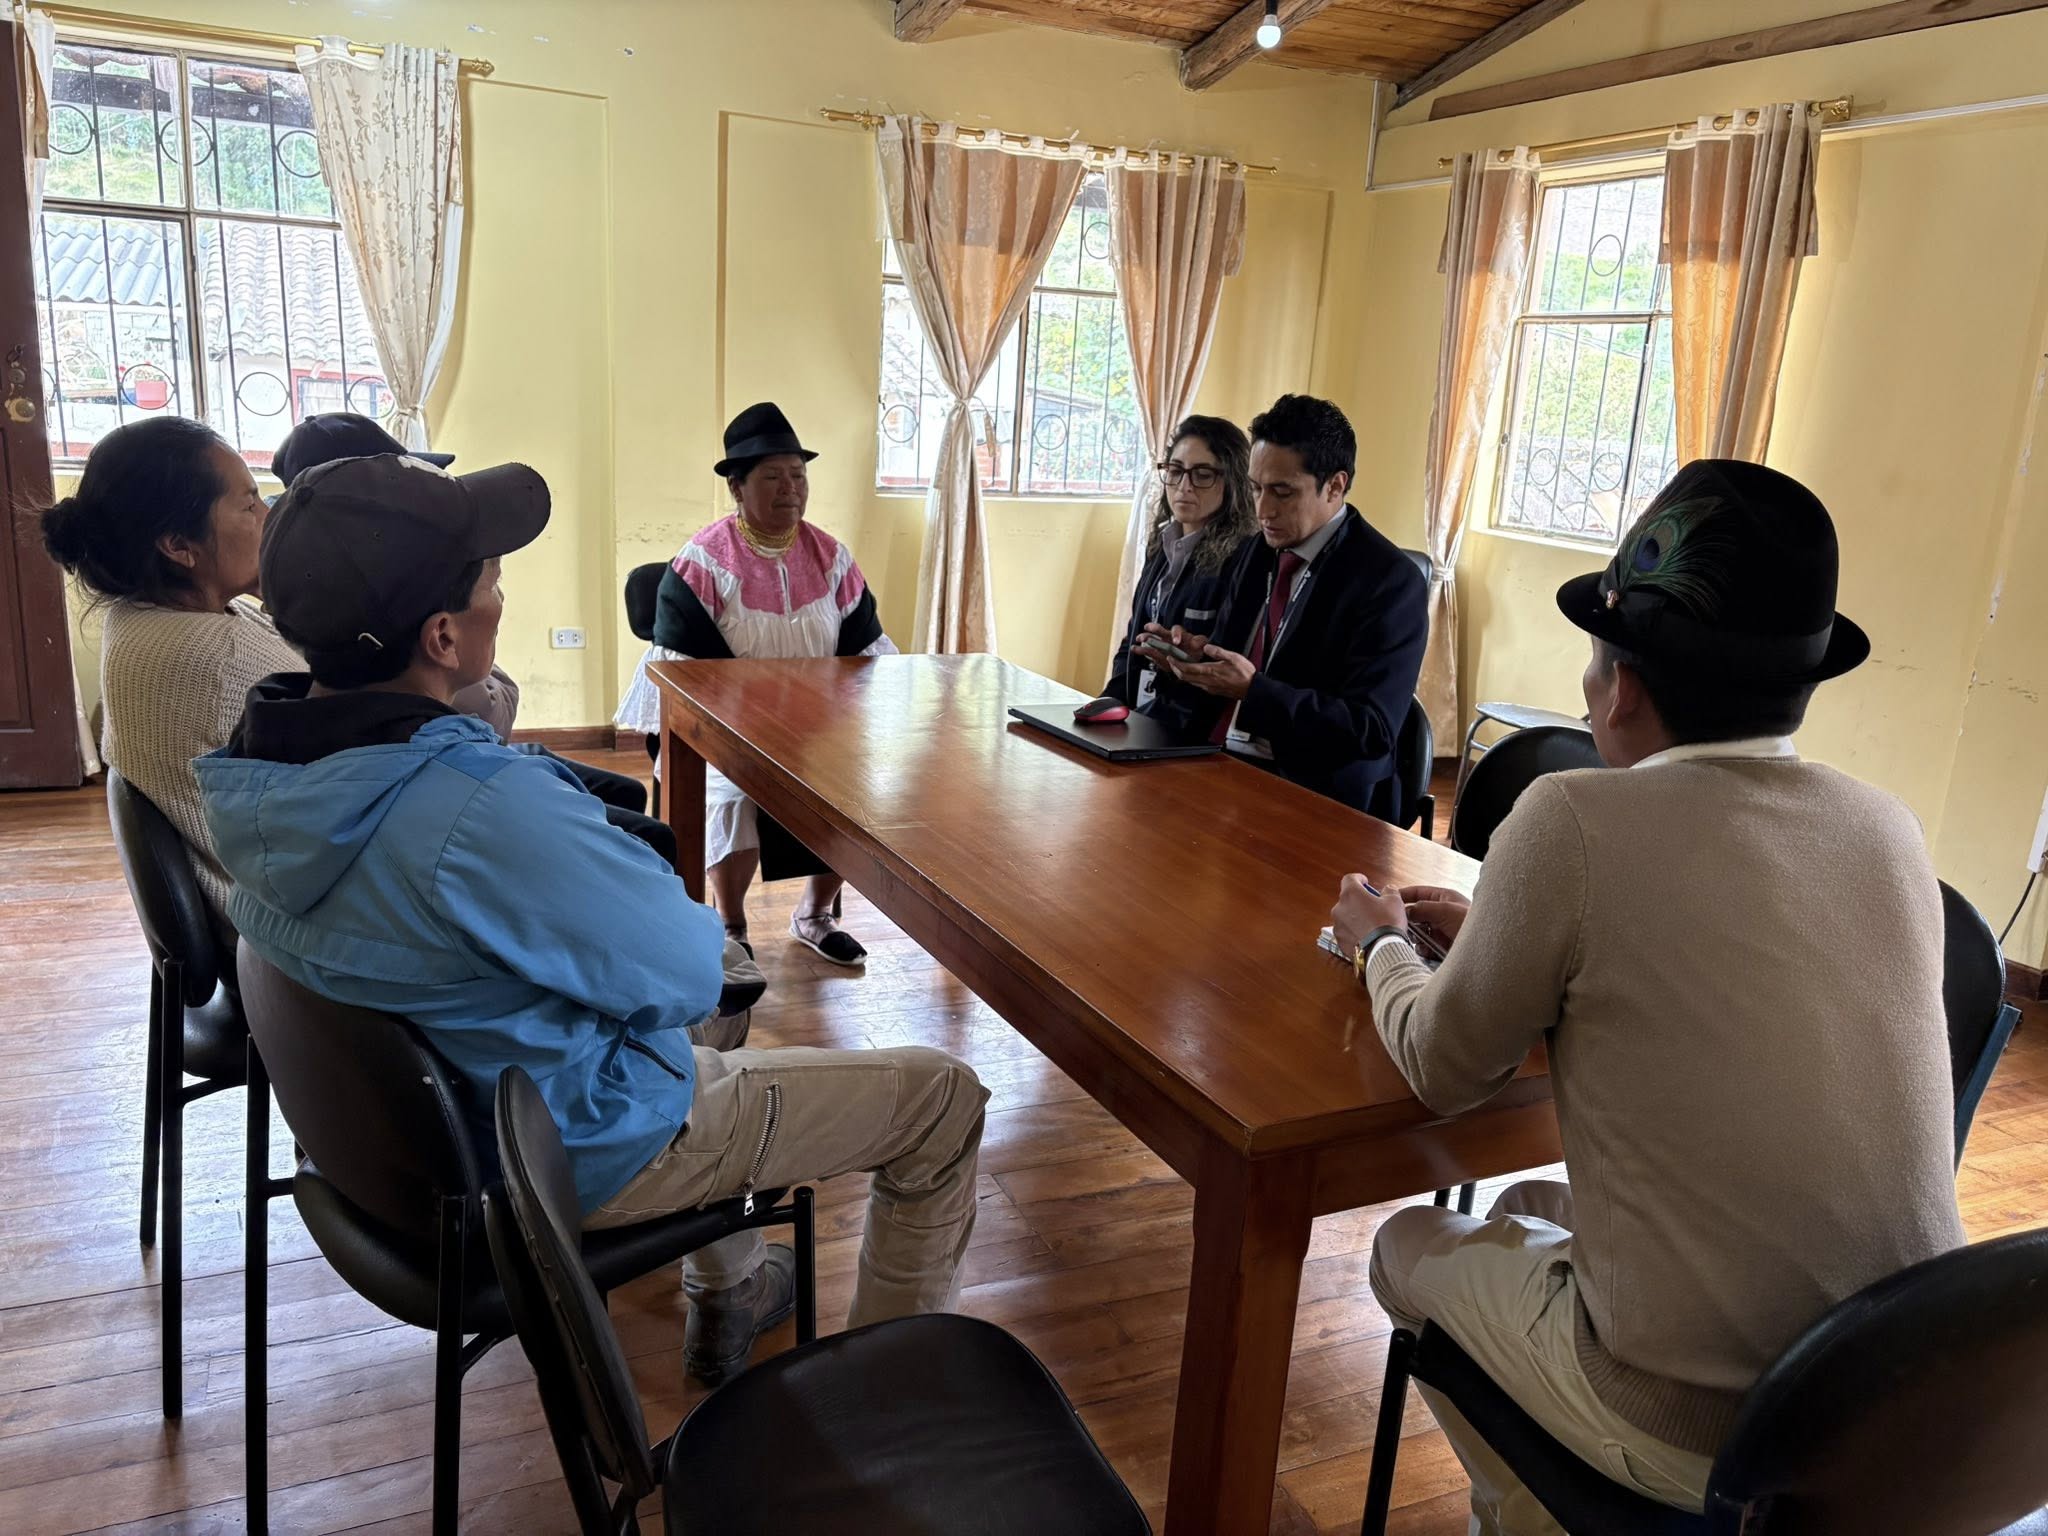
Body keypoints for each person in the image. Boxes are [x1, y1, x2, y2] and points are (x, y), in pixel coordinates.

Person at [194, 455, 987, 1387]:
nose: (501, 596)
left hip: (419, 1143)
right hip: (567, 1149)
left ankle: (732, 1287)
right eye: (491, 580)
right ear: (443, 636)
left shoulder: (256, 782)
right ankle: (888, 1406)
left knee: (685, 1024)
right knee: (942, 1098)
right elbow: (691, 973)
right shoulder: (476, 809)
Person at [1328, 460, 1966, 1534]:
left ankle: (1526, 1519)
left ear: (1618, 687)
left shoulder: (1571, 818)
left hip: (1706, 1434)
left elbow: (1444, 1069)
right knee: (1525, 1213)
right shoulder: (1887, 828)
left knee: (1408, 1247)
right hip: (1892, 1402)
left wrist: (1377, 945)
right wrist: (1502, 937)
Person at [274, 412, 664, 855]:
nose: (501, 598)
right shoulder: (468, 798)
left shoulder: (275, 731)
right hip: (474, 777)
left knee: (625, 801)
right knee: (647, 838)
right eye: (491, 582)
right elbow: (493, 709)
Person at [615, 403, 896, 966]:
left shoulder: (831, 557)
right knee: (734, 795)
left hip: (817, 727)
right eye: (772, 476)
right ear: (737, 488)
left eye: (798, 475)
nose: (790, 488)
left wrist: (842, 726)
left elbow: (864, 653)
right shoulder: (701, 564)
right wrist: (758, 727)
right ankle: (731, 922)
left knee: (853, 791)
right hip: (725, 727)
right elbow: (687, 677)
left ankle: (814, 914)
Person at [40, 418, 304, 941]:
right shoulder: (221, 656)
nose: (269, 516)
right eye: (249, 504)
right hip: (286, 937)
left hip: (251, 906)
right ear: (180, 545)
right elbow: (376, 747)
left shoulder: (143, 615)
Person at [1144, 394, 1427, 819]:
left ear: (1335, 486)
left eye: (1282, 492)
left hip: (1317, 795)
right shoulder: (1256, 551)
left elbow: (1371, 730)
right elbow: (1230, 662)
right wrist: (1191, 661)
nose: (1263, 510)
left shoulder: (1389, 581)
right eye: (1256, 488)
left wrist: (1253, 690)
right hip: (1219, 761)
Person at [1098, 415, 1256, 714]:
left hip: (1187, 720)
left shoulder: (1244, 557)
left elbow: (1225, 666)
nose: (1184, 486)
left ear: (1232, 481)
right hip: (1141, 714)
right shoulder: (1163, 542)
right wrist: (1106, 704)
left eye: (1203, 475)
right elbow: (1132, 641)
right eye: (1175, 471)